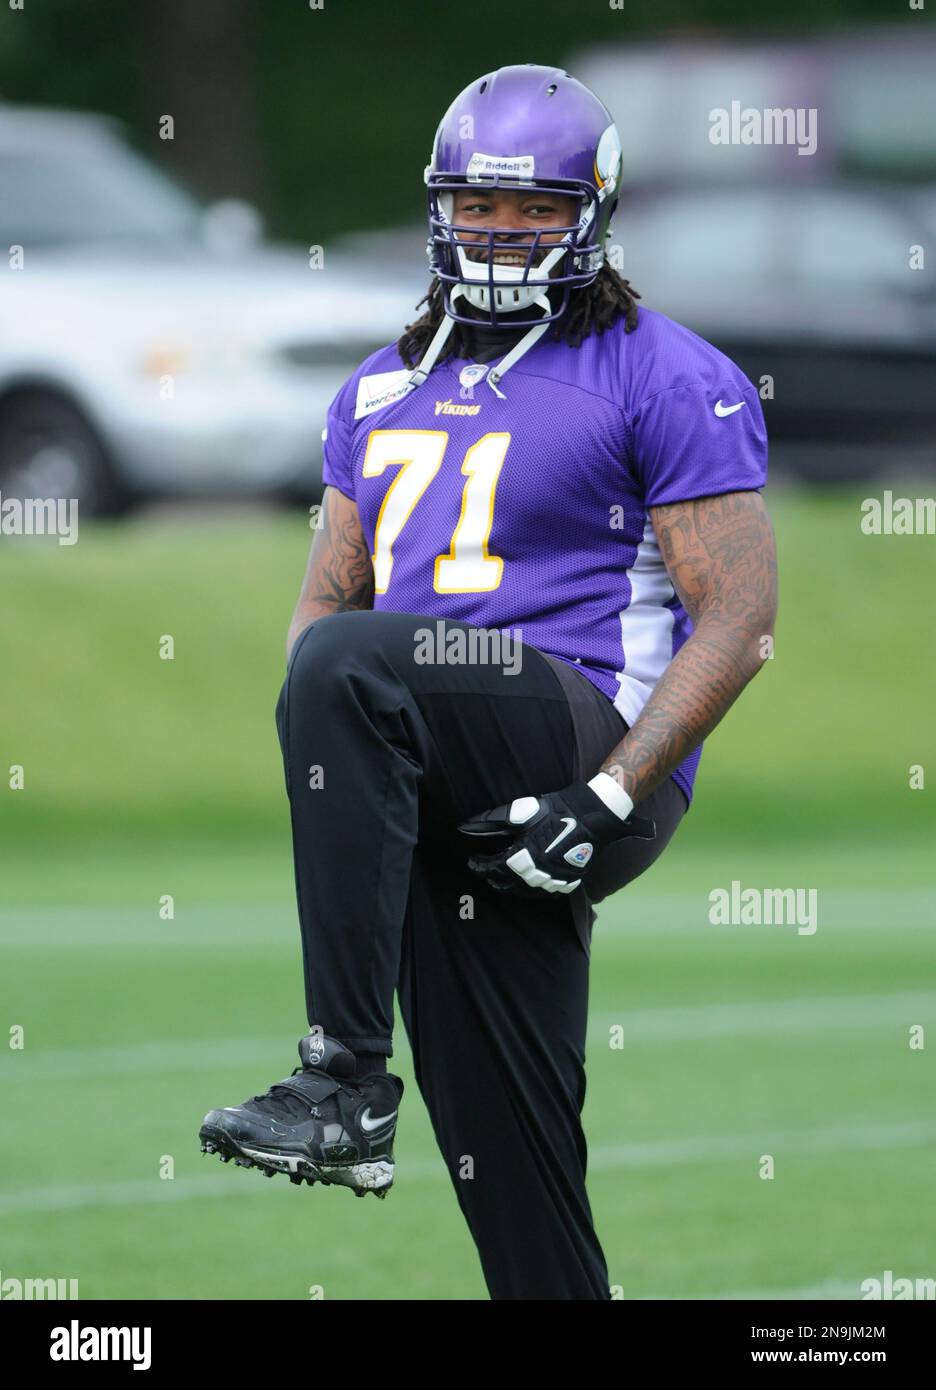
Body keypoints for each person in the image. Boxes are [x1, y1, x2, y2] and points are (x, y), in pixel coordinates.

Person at [199, 62, 777, 1301]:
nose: (499, 231)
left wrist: (616, 793)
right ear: (438, 207)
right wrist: (338, 767)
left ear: (593, 213)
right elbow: (328, 594)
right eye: (476, 205)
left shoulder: (665, 370)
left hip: (583, 739)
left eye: (533, 209)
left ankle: (347, 1075)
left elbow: (739, 618)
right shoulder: (378, 383)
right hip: (435, 765)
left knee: (350, 664)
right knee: (510, 1166)